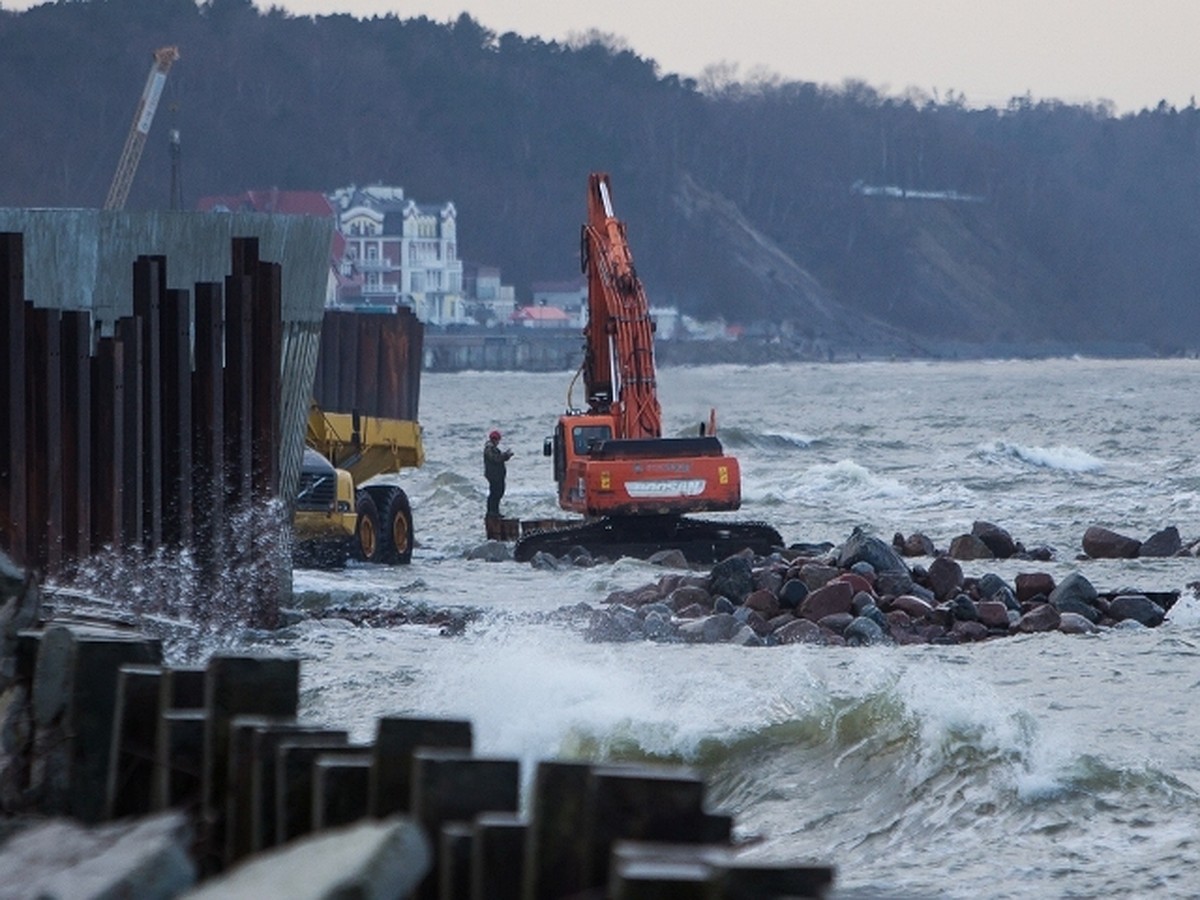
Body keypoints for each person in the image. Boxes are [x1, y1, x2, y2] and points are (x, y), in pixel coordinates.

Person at [483, 429, 513, 518]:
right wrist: (505, 456)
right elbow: (496, 459)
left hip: (498, 475)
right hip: (493, 476)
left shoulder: (493, 449)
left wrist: (506, 456)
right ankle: (491, 512)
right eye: (496, 440)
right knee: (495, 494)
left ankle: (495, 512)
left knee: (499, 493)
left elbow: (498, 458)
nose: (497, 442)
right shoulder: (489, 449)